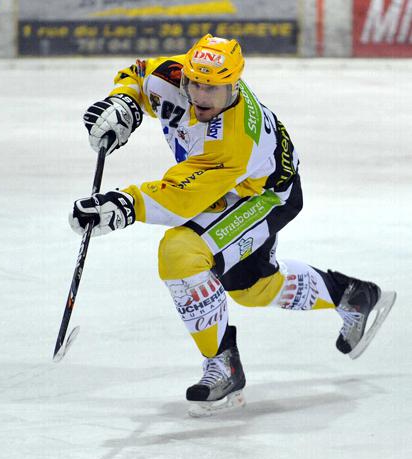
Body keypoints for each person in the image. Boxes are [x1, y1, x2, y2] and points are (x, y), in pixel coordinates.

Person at [69, 34, 396, 417]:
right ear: (185, 75)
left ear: (234, 86)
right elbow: (139, 75)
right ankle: (352, 295)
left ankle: (223, 365)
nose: (201, 95)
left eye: (213, 88)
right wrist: (124, 103)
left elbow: (182, 199)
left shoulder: (234, 138)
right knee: (252, 287)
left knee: (181, 253)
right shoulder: (173, 76)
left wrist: (124, 205)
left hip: (264, 195)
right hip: (235, 186)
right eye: (196, 83)